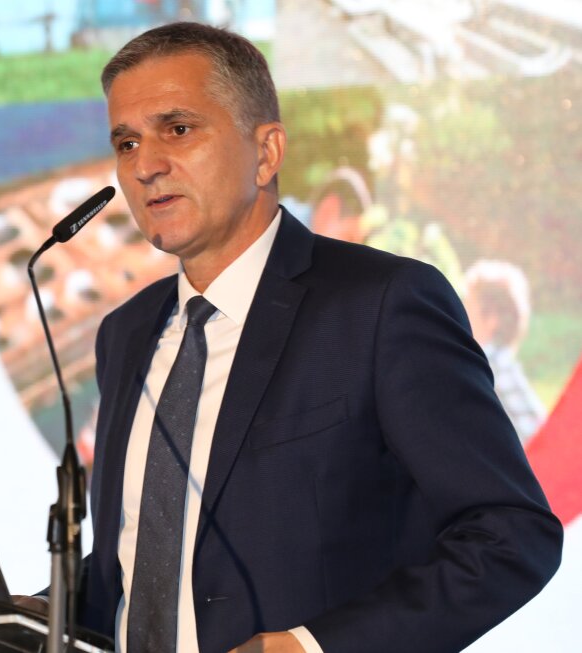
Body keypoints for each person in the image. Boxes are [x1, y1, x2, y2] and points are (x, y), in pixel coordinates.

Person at [64, 21, 563, 653]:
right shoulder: (125, 333)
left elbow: (510, 534)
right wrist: (29, 613)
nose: (146, 165)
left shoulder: (382, 304)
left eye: (179, 129)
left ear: (267, 152)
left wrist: (312, 646)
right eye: (127, 142)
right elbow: (146, 554)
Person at [462, 259, 547, 444]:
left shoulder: (490, 364)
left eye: (467, 308)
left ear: (492, 318)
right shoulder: (500, 364)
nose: (460, 317)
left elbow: (534, 438)